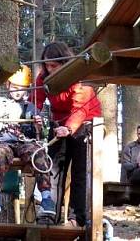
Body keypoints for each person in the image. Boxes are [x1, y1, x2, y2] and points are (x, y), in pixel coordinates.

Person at [0, 65, 56, 218]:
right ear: (8, 85)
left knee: (38, 153)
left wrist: (39, 125)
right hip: (4, 142)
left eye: (22, 88)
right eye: (15, 87)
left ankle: (46, 198)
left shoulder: (30, 108)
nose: (18, 92)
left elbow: (43, 134)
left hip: (25, 143)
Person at [36, 41, 102, 227]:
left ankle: (76, 218)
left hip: (86, 122)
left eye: (54, 66)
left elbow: (80, 108)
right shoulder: (43, 79)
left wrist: (70, 128)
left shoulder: (79, 78)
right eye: (47, 65)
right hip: (59, 122)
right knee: (53, 168)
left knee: (80, 171)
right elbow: (37, 100)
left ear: (64, 63)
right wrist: (34, 115)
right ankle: (49, 215)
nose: (50, 70)